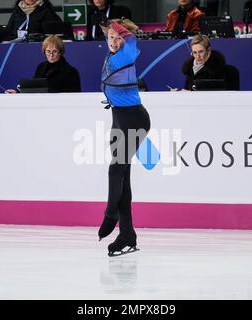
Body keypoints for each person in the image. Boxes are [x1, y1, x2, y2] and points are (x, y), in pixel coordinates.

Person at [97, 19, 151, 256]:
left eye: (117, 37)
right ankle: (127, 235)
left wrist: (117, 26)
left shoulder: (127, 54)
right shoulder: (110, 57)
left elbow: (131, 40)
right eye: (110, 37)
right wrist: (112, 28)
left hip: (134, 119)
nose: (114, 41)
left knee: (115, 170)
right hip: (119, 119)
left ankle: (110, 214)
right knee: (123, 179)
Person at [6, 35, 81, 93]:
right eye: (48, 51)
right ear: (44, 51)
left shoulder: (71, 71)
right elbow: (33, 88)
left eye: (54, 51)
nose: (51, 55)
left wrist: (46, 91)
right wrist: (18, 92)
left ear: (60, 52)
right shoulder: (41, 67)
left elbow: (72, 96)